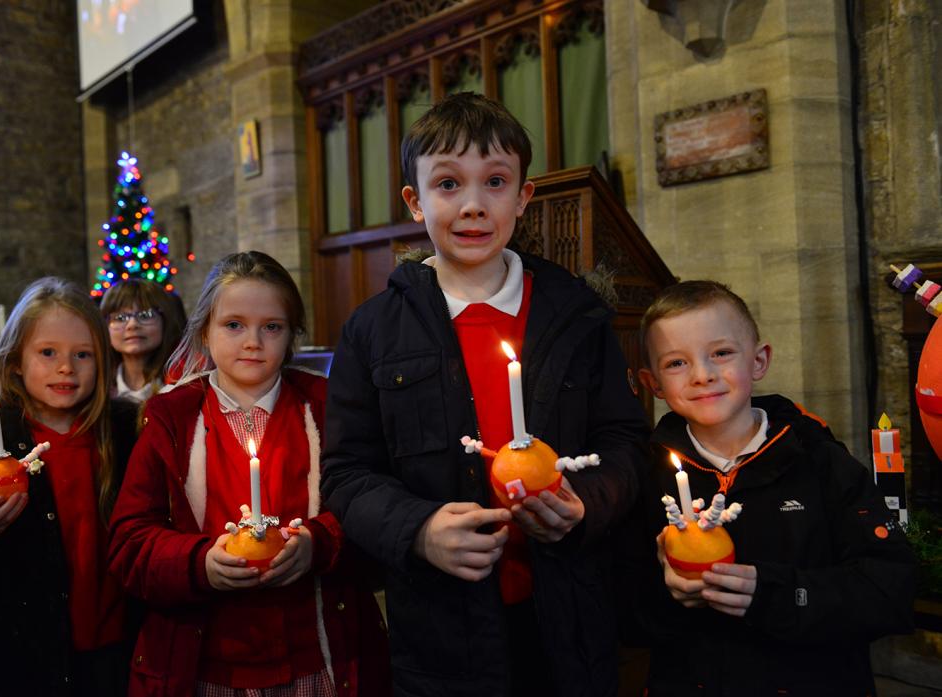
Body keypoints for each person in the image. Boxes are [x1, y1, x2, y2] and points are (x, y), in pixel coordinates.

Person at [320, 92, 649, 697]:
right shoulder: (372, 330)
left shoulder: (577, 314)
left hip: (568, 618)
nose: (473, 205)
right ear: (415, 202)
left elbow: (625, 441)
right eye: (448, 184)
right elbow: (346, 473)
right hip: (443, 630)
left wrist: (585, 504)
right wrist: (418, 528)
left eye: (495, 181)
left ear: (523, 197)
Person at [107, 251, 390, 697]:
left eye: (271, 326)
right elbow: (129, 541)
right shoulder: (171, 419)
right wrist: (199, 562)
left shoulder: (324, 406)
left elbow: (369, 507)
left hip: (318, 658)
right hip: (207, 664)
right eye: (233, 324)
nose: (253, 341)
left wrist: (317, 543)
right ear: (204, 331)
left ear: (292, 334)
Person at [625, 279, 915, 695]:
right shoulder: (646, 474)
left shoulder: (821, 461)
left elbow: (890, 592)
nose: (702, 376)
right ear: (653, 384)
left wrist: (774, 594)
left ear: (758, 361)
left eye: (721, 353)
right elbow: (622, 611)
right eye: (677, 363)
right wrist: (669, 591)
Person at [0, 277, 140, 696]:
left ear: (103, 361)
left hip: (114, 659)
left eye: (83, 354)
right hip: (15, 667)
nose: (66, 367)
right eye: (48, 352)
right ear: (16, 360)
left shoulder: (125, 436)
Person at [100, 278, 187, 402]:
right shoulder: (97, 387)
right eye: (120, 317)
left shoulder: (186, 384)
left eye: (145, 315)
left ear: (165, 321)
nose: (132, 325)